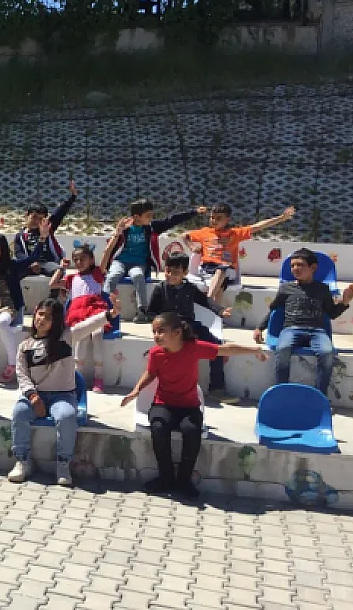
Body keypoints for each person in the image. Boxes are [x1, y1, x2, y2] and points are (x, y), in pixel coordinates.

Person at [121, 312, 267, 498]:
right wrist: (136, 390)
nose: (156, 336)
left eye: (161, 331)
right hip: (163, 404)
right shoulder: (155, 353)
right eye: (154, 331)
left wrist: (254, 350)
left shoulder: (194, 348)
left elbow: (225, 349)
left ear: (177, 332)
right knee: (158, 427)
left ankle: (184, 480)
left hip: (188, 406)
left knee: (191, 430)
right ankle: (165, 477)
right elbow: (150, 374)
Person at [9, 296, 121, 487]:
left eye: (49, 317)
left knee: (67, 416)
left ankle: (63, 463)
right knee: (19, 412)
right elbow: (22, 375)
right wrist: (33, 396)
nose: (42, 319)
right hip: (35, 396)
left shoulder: (67, 337)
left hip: (63, 395)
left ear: (57, 321)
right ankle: (22, 460)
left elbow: (89, 324)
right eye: (40, 314)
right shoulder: (25, 346)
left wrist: (110, 314)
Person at [253, 249, 353, 395]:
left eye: (300, 265)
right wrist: (260, 328)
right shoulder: (285, 288)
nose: (295, 269)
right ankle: (281, 391)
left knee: (327, 353)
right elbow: (274, 310)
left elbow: (332, 313)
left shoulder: (323, 289)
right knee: (282, 350)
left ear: (313, 267)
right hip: (291, 329)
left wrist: (345, 301)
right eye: (292, 266)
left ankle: (320, 395)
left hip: (317, 331)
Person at [0, 221, 50, 384]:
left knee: (2, 323)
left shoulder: (12, 266)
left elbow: (32, 258)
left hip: (8, 305)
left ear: (2, 252)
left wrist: (42, 238)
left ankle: (13, 364)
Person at [144, 254, 232, 401]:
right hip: (169, 329)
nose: (171, 275)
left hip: (189, 326)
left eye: (176, 273)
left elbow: (206, 301)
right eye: (168, 271)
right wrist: (158, 327)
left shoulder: (190, 288)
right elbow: (152, 311)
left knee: (217, 347)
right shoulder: (160, 289)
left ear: (185, 273)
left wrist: (221, 311)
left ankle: (217, 388)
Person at [100, 200, 206, 323]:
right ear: (136, 217)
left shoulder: (151, 227)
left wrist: (194, 212)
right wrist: (117, 234)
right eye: (148, 215)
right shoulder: (125, 228)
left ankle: (142, 311)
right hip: (120, 261)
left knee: (138, 276)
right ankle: (103, 307)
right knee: (112, 276)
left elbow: (171, 220)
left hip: (139, 263)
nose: (152, 217)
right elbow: (110, 247)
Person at [183, 204, 295, 302]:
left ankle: (208, 302)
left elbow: (258, 226)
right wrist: (192, 246)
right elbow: (185, 235)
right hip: (206, 269)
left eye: (218, 218)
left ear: (227, 219)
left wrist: (281, 218)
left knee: (221, 270)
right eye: (212, 217)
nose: (214, 220)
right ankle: (216, 314)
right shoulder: (205, 232)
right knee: (220, 287)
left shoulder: (235, 234)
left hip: (227, 270)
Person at [50, 244, 110, 392]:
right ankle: (78, 377)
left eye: (82, 259)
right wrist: (61, 267)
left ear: (91, 260)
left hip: (94, 308)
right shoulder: (71, 278)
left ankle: (99, 377)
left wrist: (116, 236)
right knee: (81, 339)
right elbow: (52, 284)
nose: (78, 262)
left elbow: (106, 255)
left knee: (97, 335)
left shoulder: (97, 274)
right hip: (78, 312)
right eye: (75, 259)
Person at [13, 180, 77, 277]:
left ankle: (54, 292)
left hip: (47, 263)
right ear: (26, 216)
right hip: (29, 264)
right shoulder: (20, 236)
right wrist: (30, 264)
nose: (36, 221)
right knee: (13, 272)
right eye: (34, 217)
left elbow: (59, 213)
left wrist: (72, 197)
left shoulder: (47, 228)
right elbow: (19, 254)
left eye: (40, 219)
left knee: (58, 270)